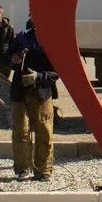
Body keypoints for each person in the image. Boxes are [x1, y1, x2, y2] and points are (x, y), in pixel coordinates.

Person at [6, 18, 60, 180]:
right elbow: (9, 56)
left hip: (42, 92)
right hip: (20, 91)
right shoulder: (21, 38)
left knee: (44, 130)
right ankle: (23, 168)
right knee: (20, 130)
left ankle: (43, 169)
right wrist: (14, 58)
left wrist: (37, 76)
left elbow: (57, 72)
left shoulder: (53, 40)